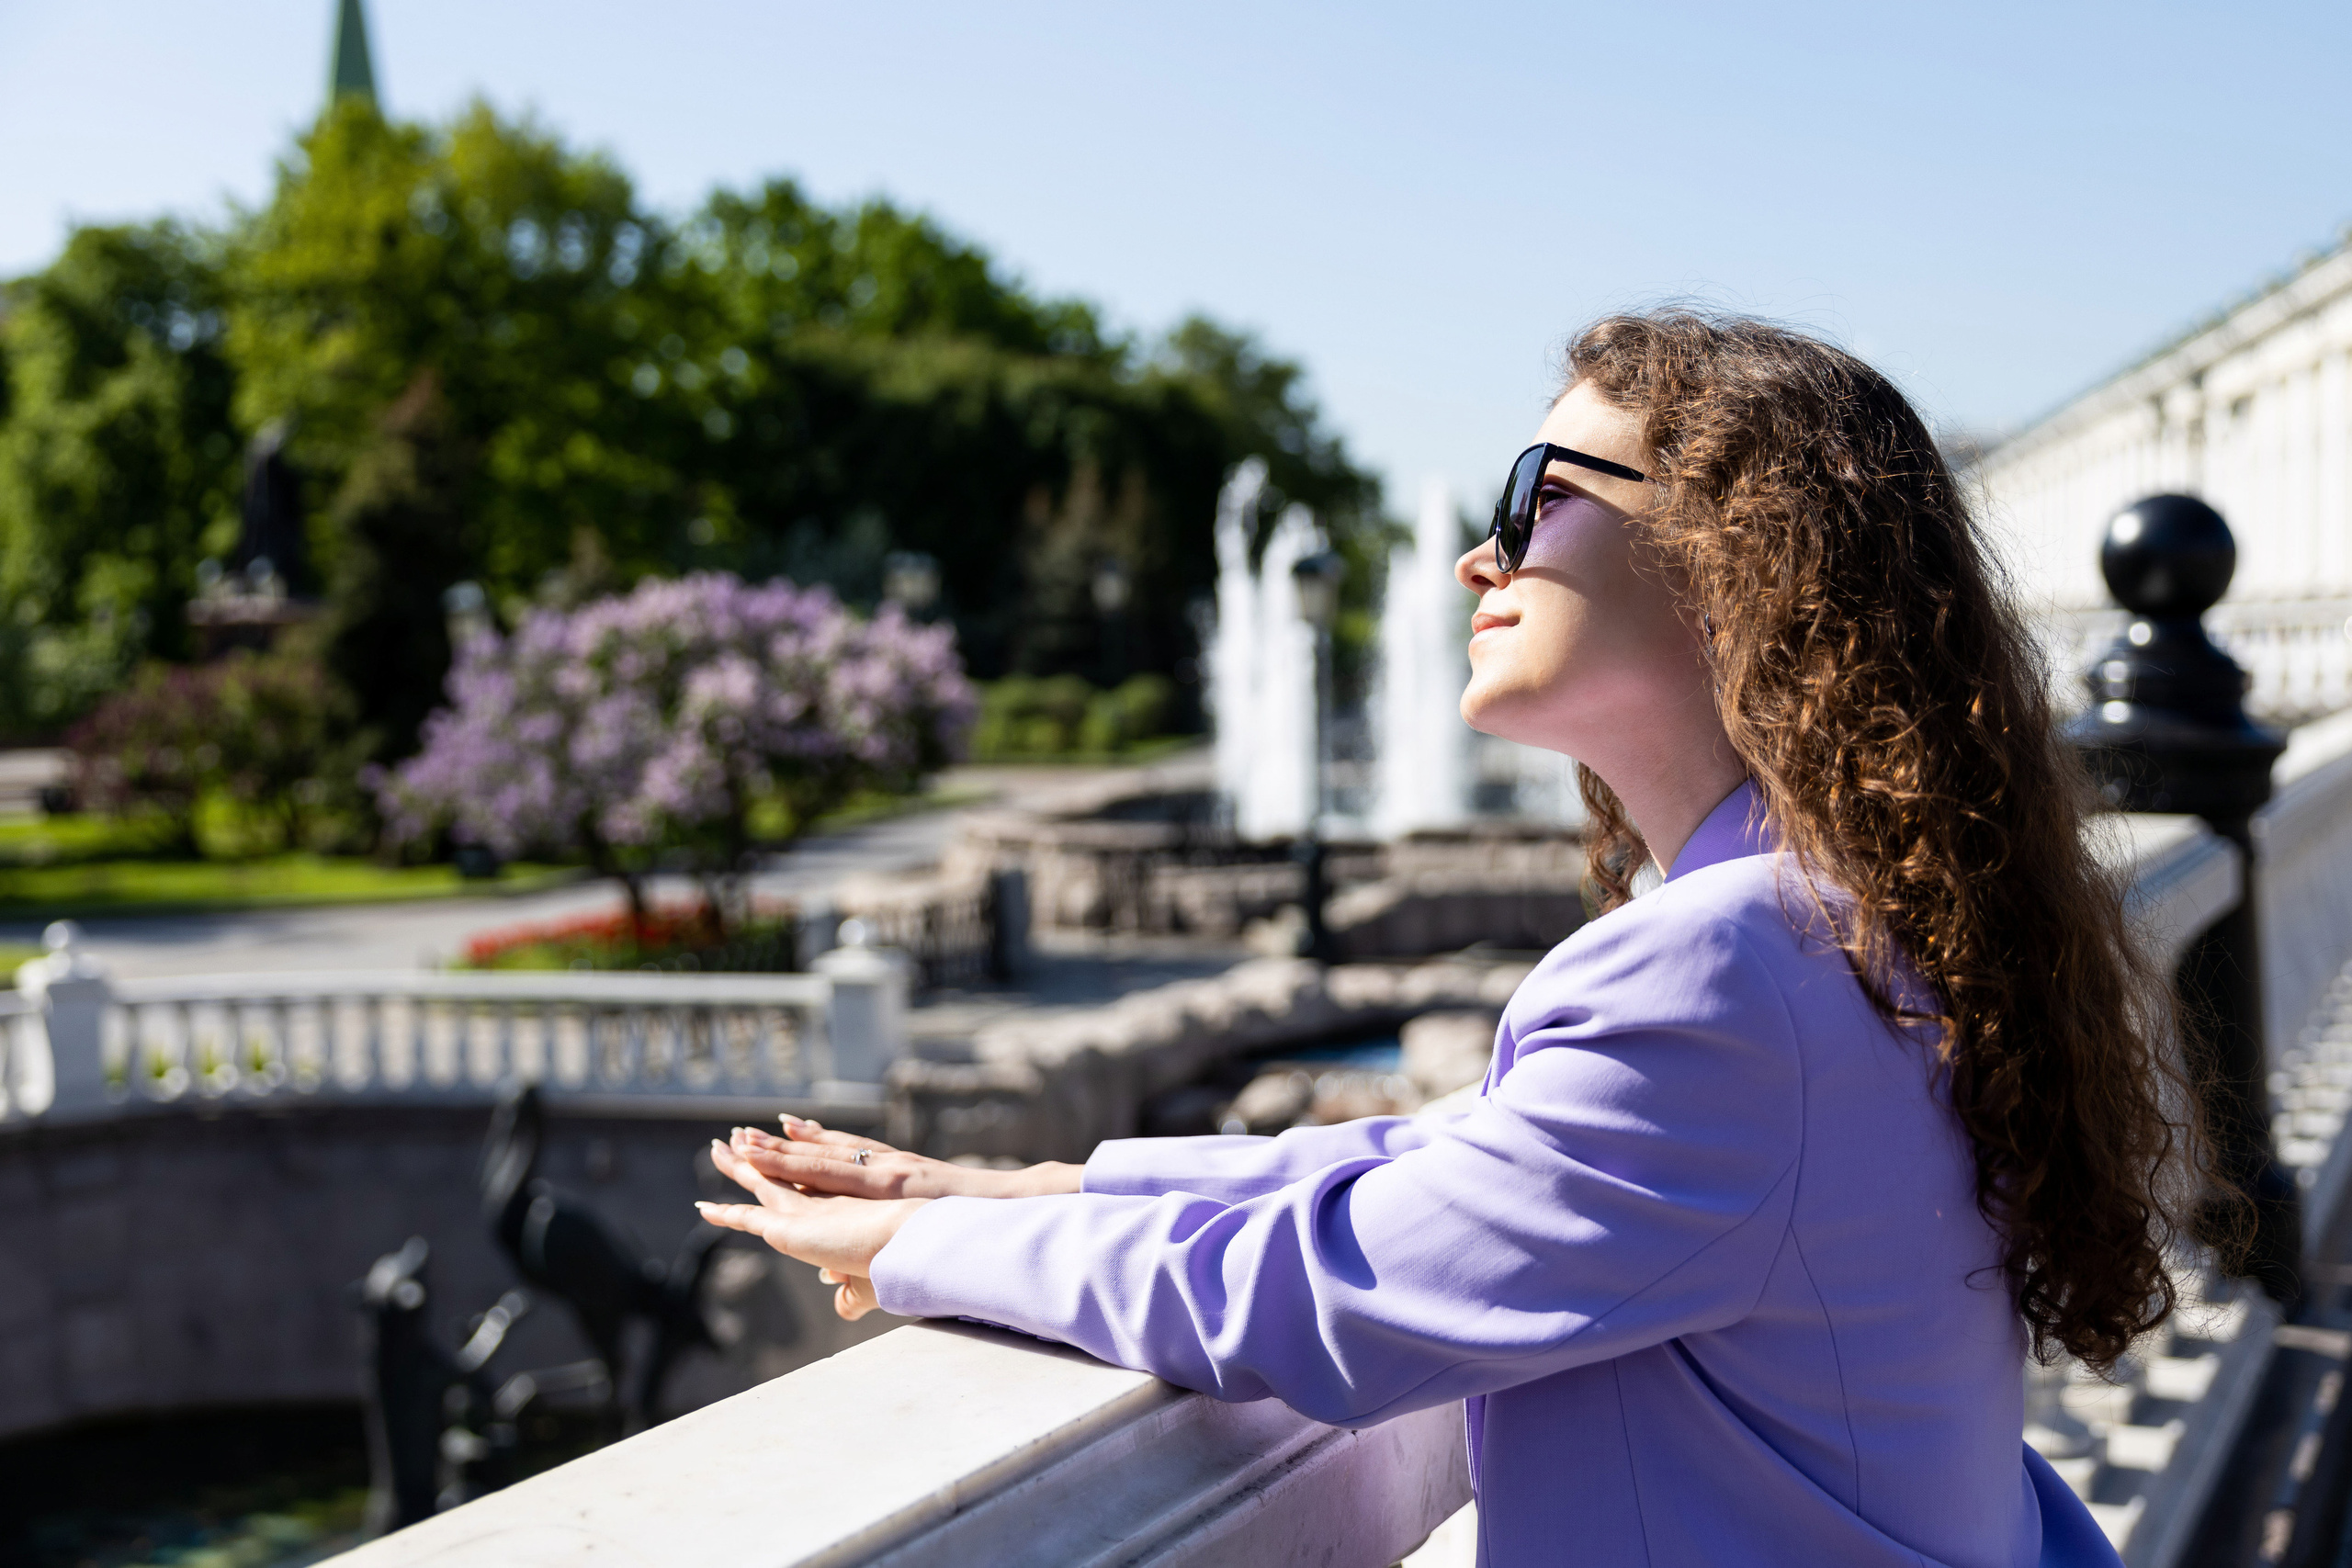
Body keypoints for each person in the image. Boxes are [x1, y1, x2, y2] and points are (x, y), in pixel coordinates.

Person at [698, 310, 2186, 1567]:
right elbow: (1449, 1162)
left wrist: (927, 1248)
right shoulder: (1846, 926)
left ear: (1742, 555)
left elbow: (1332, 1297)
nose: (1481, 559)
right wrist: (1047, 1180)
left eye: (1539, 492)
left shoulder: (1737, 969)